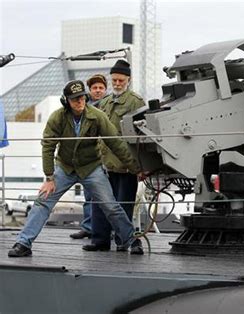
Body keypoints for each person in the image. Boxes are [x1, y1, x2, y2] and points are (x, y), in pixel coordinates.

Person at [8, 80, 143, 257]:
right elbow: (48, 146)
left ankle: (132, 240)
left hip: (91, 167)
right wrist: (49, 178)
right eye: (74, 99)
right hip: (65, 167)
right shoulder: (57, 117)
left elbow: (116, 143)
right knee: (42, 202)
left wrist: (136, 168)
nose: (79, 102)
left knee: (111, 206)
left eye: (81, 98)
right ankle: (23, 243)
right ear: (66, 101)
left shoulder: (97, 116)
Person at [84, 60, 145, 253]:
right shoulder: (106, 101)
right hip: (104, 162)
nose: (117, 84)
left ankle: (122, 240)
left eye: (120, 80)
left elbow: (141, 133)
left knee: (122, 204)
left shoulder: (136, 101)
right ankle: (100, 240)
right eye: (114, 80)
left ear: (128, 80)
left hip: (125, 163)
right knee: (99, 203)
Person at [69, 74, 108, 240]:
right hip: (88, 157)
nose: (98, 91)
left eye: (100, 88)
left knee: (105, 197)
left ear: (105, 90)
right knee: (88, 196)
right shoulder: (81, 107)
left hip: (104, 157)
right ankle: (88, 227)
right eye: (94, 88)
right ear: (89, 91)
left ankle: (104, 229)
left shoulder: (108, 105)